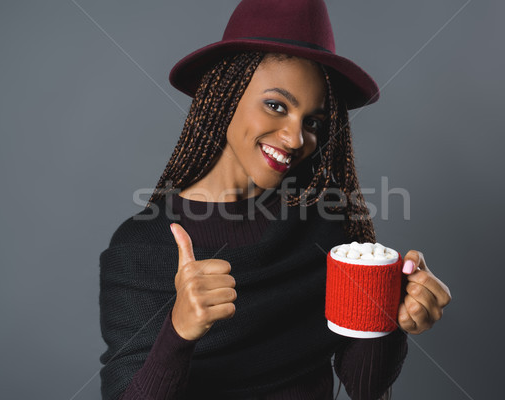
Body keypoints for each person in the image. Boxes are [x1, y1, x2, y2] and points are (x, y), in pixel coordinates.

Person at [98, 1, 452, 399]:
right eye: (276, 106)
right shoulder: (140, 247)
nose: (296, 138)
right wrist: (178, 332)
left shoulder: (324, 226)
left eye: (313, 122)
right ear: (225, 94)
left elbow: (366, 386)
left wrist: (390, 314)